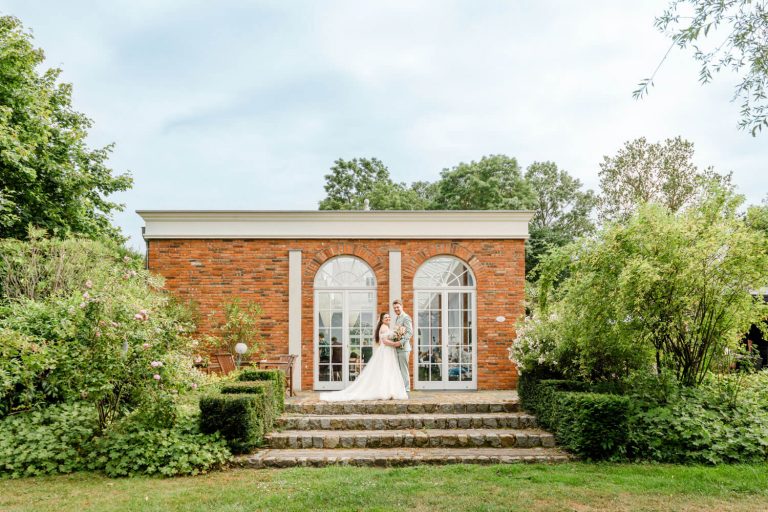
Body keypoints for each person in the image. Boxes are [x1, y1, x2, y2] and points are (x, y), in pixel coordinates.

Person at [319, 312, 408, 401]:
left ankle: (388, 390)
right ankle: (386, 391)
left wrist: (397, 336)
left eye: (389, 317)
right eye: (386, 317)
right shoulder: (384, 327)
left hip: (387, 351)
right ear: (381, 319)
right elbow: (384, 341)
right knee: (386, 369)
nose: (388, 318)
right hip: (386, 351)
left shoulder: (386, 327)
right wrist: (396, 343)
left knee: (387, 370)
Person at [392, 299, 413, 393]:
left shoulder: (406, 317)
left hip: (404, 348)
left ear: (402, 306)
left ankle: (406, 390)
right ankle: (401, 389)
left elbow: (409, 333)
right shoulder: (397, 318)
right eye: (394, 308)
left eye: (397, 307)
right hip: (397, 348)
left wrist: (401, 342)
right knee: (399, 370)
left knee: (404, 370)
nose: (396, 309)